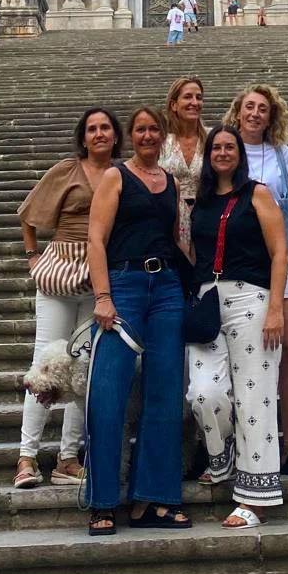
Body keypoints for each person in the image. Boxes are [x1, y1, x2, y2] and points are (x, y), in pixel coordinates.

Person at [85, 106, 190, 536]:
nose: (148, 136)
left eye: (154, 130)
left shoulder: (171, 183)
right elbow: (96, 238)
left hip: (165, 287)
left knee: (164, 392)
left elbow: (179, 240)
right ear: (131, 136)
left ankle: (154, 499)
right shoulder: (115, 177)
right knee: (107, 392)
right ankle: (103, 501)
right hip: (124, 285)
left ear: (163, 136)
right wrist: (103, 295)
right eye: (141, 130)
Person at [15, 107, 123, 489]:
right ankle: (26, 457)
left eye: (105, 127)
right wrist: (33, 257)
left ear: (115, 135)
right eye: (92, 129)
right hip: (61, 270)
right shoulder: (67, 170)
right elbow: (28, 214)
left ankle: (67, 458)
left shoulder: (120, 174)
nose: (99, 134)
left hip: (98, 275)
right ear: (83, 137)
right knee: (44, 362)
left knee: (84, 371)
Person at [187, 126, 288, 526]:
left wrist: (276, 308)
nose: (223, 152)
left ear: (239, 154)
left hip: (252, 300)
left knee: (255, 399)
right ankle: (222, 453)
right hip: (208, 302)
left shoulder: (257, 193)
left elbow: (280, 251)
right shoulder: (202, 201)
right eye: (217, 147)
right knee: (202, 393)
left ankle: (255, 499)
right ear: (208, 155)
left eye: (230, 147)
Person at [223, 84, 288, 477]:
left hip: (282, 264)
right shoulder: (225, 153)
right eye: (249, 107)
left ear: (271, 115)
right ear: (237, 112)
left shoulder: (285, 156)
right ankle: (233, 442)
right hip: (238, 267)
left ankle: (287, 442)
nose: (255, 113)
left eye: (263, 108)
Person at [161, 76, 206, 250]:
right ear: (174, 105)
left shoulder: (211, 140)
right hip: (169, 218)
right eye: (188, 97)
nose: (194, 102)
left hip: (205, 216)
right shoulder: (162, 142)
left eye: (199, 97)